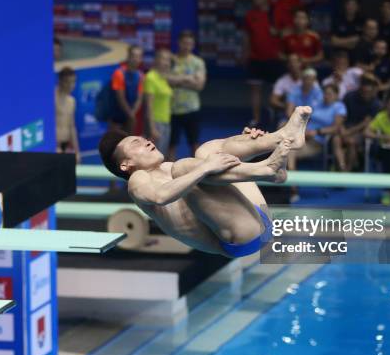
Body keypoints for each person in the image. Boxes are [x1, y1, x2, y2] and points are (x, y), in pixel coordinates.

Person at [98, 106, 312, 257]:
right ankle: (268, 169)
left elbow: (222, 171)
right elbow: (161, 196)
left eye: (144, 138)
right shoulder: (137, 180)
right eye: (137, 143)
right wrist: (206, 167)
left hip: (254, 212)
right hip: (243, 236)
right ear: (126, 165)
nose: (147, 142)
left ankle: (283, 137)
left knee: (206, 151)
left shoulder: (168, 167)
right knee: (188, 166)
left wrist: (245, 142)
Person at [287, 84, 347, 199]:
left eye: (330, 94)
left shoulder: (339, 106)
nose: (326, 96)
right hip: (303, 137)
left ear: (336, 95)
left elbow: (336, 127)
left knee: (289, 152)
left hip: (317, 142)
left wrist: (317, 132)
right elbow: (305, 120)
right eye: (325, 93)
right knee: (286, 150)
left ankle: (293, 189)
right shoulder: (317, 104)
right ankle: (287, 186)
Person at [244, 0, 282, 127]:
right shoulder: (250, 15)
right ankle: (256, 119)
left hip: (274, 58)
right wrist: (245, 53)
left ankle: (273, 116)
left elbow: (286, 30)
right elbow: (246, 36)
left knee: (276, 90)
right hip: (255, 58)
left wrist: (278, 32)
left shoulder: (276, 13)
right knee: (255, 90)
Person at [167, 30, 207, 160]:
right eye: (184, 43)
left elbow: (199, 85)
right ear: (179, 43)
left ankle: (196, 176)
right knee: (171, 145)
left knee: (194, 145)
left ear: (193, 44)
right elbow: (167, 80)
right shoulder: (171, 60)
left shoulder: (198, 62)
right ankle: (169, 176)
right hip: (173, 109)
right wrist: (189, 78)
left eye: (190, 43)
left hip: (192, 109)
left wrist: (177, 80)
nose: (187, 46)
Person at [341, 74, 381, 171]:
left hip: (362, 131)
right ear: (360, 88)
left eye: (368, 91)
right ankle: (342, 168)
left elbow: (366, 123)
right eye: (363, 90)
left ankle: (347, 170)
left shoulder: (376, 104)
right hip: (345, 128)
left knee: (351, 142)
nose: (366, 92)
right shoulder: (349, 97)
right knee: (336, 140)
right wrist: (342, 130)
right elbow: (340, 115)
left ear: (373, 90)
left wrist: (348, 132)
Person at [108, 45, 145, 134]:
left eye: (138, 56)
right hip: (116, 117)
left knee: (128, 145)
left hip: (130, 116)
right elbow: (121, 98)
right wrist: (131, 115)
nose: (136, 59)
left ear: (141, 59)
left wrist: (132, 114)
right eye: (133, 56)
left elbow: (139, 98)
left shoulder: (141, 76)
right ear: (128, 57)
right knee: (114, 144)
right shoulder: (119, 73)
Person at [144, 49, 174, 157]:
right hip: (156, 123)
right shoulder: (151, 77)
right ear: (156, 60)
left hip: (166, 121)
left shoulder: (164, 78)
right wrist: (152, 128)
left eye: (168, 60)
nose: (166, 62)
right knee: (154, 157)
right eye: (163, 59)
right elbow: (149, 105)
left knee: (162, 155)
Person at [269, 53, 303, 128]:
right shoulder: (282, 81)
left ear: (300, 63)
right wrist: (287, 106)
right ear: (287, 65)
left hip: (307, 114)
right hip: (287, 114)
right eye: (290, 62)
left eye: (295, 61)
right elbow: (273, 100)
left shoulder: (308, 80)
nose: (293, 64)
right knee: (281, 127)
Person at [55, 67, 80, 163]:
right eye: (67, 82)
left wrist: (77, 152)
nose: (71, 86)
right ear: (60, 81)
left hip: (65, 146)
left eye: (73, 82)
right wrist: (55, 146)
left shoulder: (71, 101)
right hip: (53, 146)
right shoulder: (51, 99)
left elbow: (72, 127)